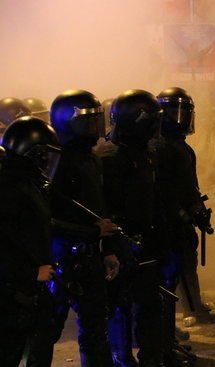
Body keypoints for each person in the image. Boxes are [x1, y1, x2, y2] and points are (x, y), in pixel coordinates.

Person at [27, 90, 120, 367]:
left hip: (89, 257)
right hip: (60, 258)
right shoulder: (53, 162)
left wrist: (108, 250)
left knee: (95, 329)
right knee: (47, 331)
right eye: (87, 121)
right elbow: (44, 220)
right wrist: (90, 233)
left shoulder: (91, 159)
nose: (94, 128)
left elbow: (99, 208)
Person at [104, 89, 165, 367]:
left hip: (145, 243)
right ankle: (122, 359)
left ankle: (150, 359)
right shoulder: (109, 157)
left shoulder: (144, 154)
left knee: (149, 306)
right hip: (119, 245)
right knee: (120, 309)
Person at [155, 87, 215, 365]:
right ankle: (165, 337)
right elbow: (163, 191)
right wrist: (181, 212)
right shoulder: (158, 147)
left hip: (179, 223)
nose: (179, 119)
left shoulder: (182, 148)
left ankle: (174, 328)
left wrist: (197, 210)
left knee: (181, 267)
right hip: (165, 224)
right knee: (165, 280)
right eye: (172, 112)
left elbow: (190, 187)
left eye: (183, 112)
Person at [0, 116, 60, 366]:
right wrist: (31, 272)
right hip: (13, 293)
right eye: (45, 155)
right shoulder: (10, 189)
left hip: (28, 289)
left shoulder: (26, 185)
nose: (48, 161)